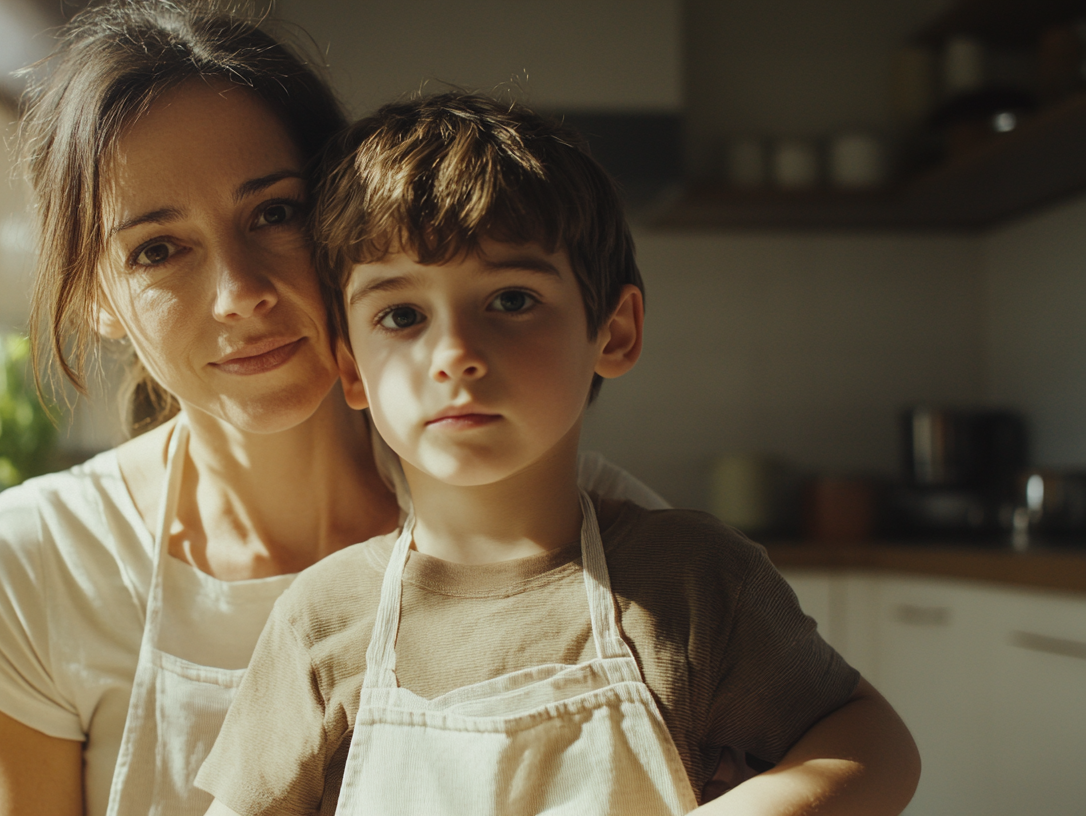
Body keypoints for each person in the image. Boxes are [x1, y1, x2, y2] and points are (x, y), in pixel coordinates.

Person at [0, 5, 668, 816]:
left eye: (275, 212)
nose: (240, 294)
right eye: (157, 249)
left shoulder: (585, 528)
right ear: (95, 299)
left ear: (344, 224)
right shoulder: (42, 561)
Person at [197, 93, 921, 816]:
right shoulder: (321, 624)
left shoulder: (696, 583)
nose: (454, 354)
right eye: (402, 315)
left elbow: (873, 740)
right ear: (352, 369)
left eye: (510, 300)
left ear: (614, 333)